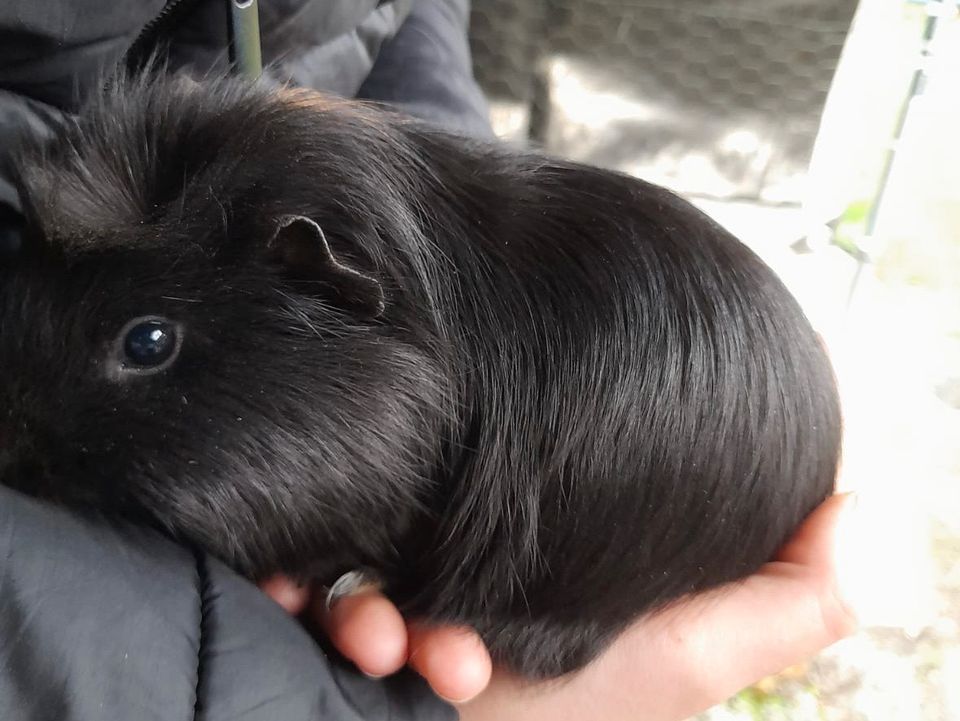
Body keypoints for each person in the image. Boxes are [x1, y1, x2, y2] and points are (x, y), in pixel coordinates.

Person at [0, 1, 859, 719]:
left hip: (591, 558)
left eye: (149, 343)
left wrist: (398, 154)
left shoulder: (356, 324)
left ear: (320, 288)